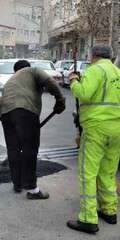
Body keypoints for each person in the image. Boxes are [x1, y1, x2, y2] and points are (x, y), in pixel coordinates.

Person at [67, 45, 120, 234]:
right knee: (108, 171)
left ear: (93, 55)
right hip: (117, 129)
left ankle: (89, 219)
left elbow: (83, 93)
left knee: (87, 172)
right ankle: (109, 210)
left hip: (97, 127)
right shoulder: (117, 72)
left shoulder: (95, 70)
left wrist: (73, 81)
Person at [0, 60, 66, 199]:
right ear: (27, 67)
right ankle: (32, 189)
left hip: (5, 114)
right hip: (25, 111)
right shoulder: (33, 71)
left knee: (13, 149)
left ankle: (17, 184)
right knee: (30, 149)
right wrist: (60, 99)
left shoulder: (11, 80)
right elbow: (50, 82)